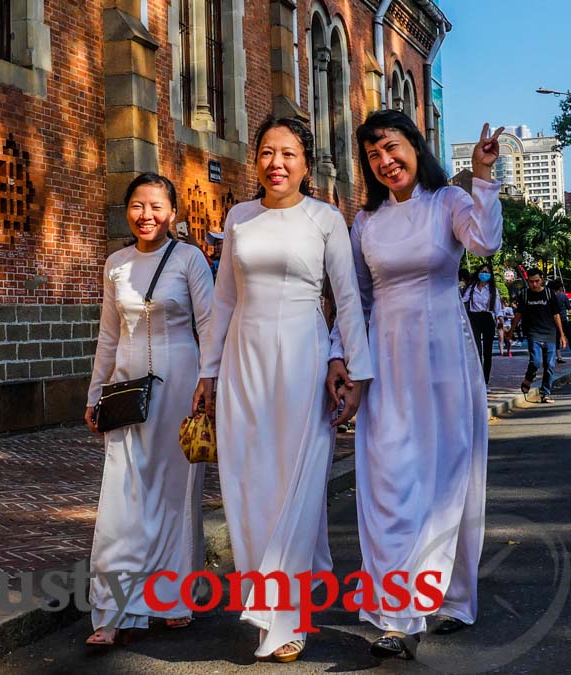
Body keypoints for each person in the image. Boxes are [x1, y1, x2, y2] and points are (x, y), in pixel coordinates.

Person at [191, 117, 372, 663]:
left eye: (288, 154)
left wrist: (354, 371)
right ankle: (262, 591)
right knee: (247, 483)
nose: (276, 163)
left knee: (297, 482)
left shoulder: (325, 219)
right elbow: (223, 302)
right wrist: (208, 372)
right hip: (244, 360)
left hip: (303, 358)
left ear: (305, 161)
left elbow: (346, 298)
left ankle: (284, 616)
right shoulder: (239, 218)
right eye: (267, 153)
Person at [328, 113, 504, 659]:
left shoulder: (447, 203)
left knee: (448, 477)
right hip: (386, 361)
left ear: (414, 147)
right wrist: (342, 359)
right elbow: (354, 299)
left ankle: (450, 596)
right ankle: (397, 612)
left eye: (393, 147)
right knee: (389, 482)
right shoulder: (366, 223)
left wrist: (481, 177)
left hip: (444, 357)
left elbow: (484, 244)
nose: (385, 161)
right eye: (374, 154)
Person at [84, 173, 215, 646]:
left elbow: (209, 324)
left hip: (180, 386)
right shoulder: (115, 264)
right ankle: (111, 611)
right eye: (138, 206)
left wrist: (209, 383)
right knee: (122, 494)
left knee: (176, 492)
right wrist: (95, 393)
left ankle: (174, 598)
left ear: (173, 213)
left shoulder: (189, 259)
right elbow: (108, 336)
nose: (146, 215)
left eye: (157, 206)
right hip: (125, 391)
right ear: (127, 211)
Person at [515, 269, 567, 403]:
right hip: (533, 333)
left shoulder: (549, 294)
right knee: (536, 361)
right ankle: (528, 378)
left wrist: (562, 335)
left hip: (550, 333)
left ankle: (545, 393)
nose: (534, 284)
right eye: (531, 281)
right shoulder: (525, 295)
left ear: (542, 279)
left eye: (537, 281)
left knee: (550, 365)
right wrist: (511, 330)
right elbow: (518, 314)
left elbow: (556, 315)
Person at [461, 263, 503, 380]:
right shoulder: (471, 287)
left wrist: (500, 318)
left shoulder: (492, 289)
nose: (484, 274)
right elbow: (463, 301)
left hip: (487, 318)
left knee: (487, 352)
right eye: (482, 271)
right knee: (476, 350)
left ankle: (485, 379)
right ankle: (477, 379)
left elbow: (497, 307)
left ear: (490, 275)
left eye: (486, 272)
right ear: (478, 273)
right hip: (474, 318)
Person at [548, 279, 570, 364]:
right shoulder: (563, 296)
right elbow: (568, 307)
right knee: (569, 336)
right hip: (563, 319)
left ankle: (559, 356)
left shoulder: (550, 296)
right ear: (560, 287)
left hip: (553, 321)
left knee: (556, 339)